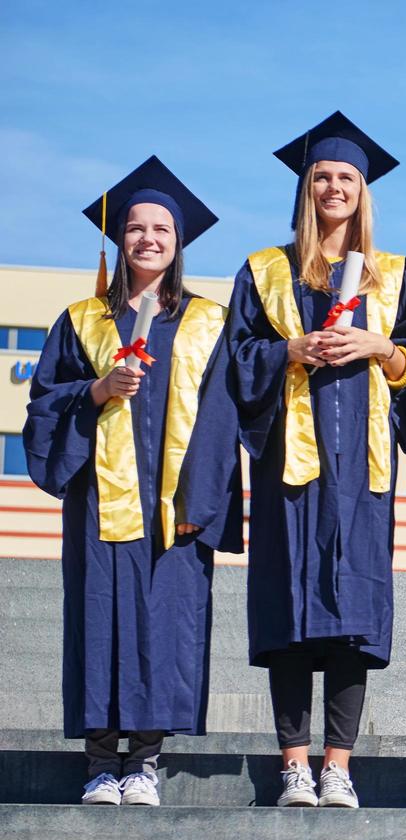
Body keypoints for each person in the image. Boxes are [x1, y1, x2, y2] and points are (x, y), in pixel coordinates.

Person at [24, 156, 242, 806]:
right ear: (119, 240)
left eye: (161, 231)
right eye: (136, 229)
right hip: (101, 506)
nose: (148, 239)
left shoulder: (209, 322)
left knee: (163, 628)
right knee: (100, 623)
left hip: (176, 508)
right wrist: (97, 389)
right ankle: (99, 762)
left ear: (177, 245)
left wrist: (201, 502)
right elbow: (43, 404)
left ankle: (144, 762)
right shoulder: (83, 320)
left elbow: (221, 419)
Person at [228, 111, 406, 808]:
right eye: (323, 177)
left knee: (351, 616)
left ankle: (337, 763)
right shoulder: (264, 271)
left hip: (363, 475)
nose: (334, 187)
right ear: (306, 189)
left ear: (363, 191)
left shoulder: (395, 275)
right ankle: (292, 764)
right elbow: (234, 359)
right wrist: (289, 349)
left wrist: (380, 348)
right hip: (291, 470)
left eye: (346, 177)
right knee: (290, 615)